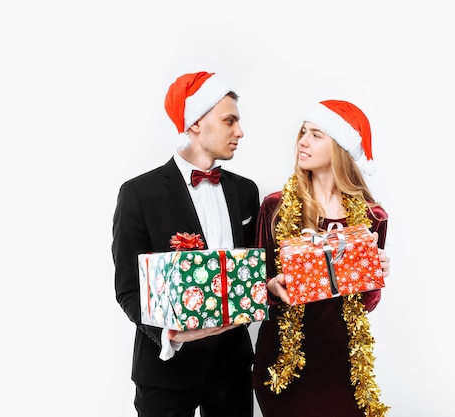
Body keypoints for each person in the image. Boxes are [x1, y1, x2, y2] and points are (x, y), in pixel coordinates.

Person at [112, 71, 259, 417]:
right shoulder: (138, 194)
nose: (240, 132)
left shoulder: (246, 191)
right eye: (229, 121)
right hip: (166, 369)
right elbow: (128, 289)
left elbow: (254, 269)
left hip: (232, 369)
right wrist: (171, 334)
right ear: (195, 123)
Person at [252, 99, 392, 417]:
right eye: (303, 132)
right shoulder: (275, 207)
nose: (302, 141)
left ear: (341, 147)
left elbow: (366, 304)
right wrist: (274, 288)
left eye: (316, 135)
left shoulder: (372, 216)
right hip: (283, 363)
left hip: (342, 362)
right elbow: (256, 288)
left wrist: (376, 272)